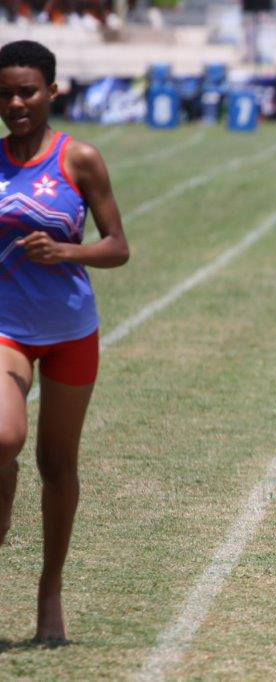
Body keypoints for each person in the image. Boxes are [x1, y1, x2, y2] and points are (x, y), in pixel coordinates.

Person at [0, 40, 129, 642]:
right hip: (6, 327)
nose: (16, 104)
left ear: (52, 91)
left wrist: (65, 252)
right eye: (5, 94)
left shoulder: (79, 158)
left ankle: (49, 593)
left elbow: (117, 247)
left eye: (27, 92)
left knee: (57, 465)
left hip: (72, 329)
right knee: (4, 437)